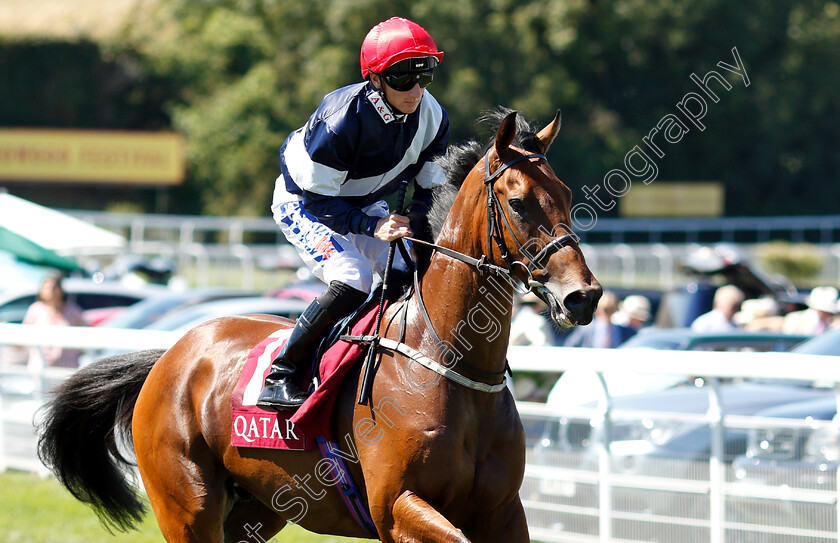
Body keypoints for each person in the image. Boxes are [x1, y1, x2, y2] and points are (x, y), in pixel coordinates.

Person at [258, 17, 450, 410]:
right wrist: (372, 225)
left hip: (362, 202)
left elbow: (429, 190)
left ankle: (364, 356)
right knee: (353, 276)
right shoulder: (339, 121)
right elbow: (318, 202)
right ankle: (282, 373)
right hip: (306, 203)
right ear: (376, 79)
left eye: (424, 78)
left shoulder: (433, 117)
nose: (416, 91)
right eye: (402, 80)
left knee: (404, 274)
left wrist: (411, 220)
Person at [22, 275, 87, 369]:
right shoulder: (35, 309)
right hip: (40, 367)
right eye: (46, 287)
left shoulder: (73, 311)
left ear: (61, 290)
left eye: (53, 287)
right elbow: (24, 334)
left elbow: (86, 334)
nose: (50, 290)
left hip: (67, 368)